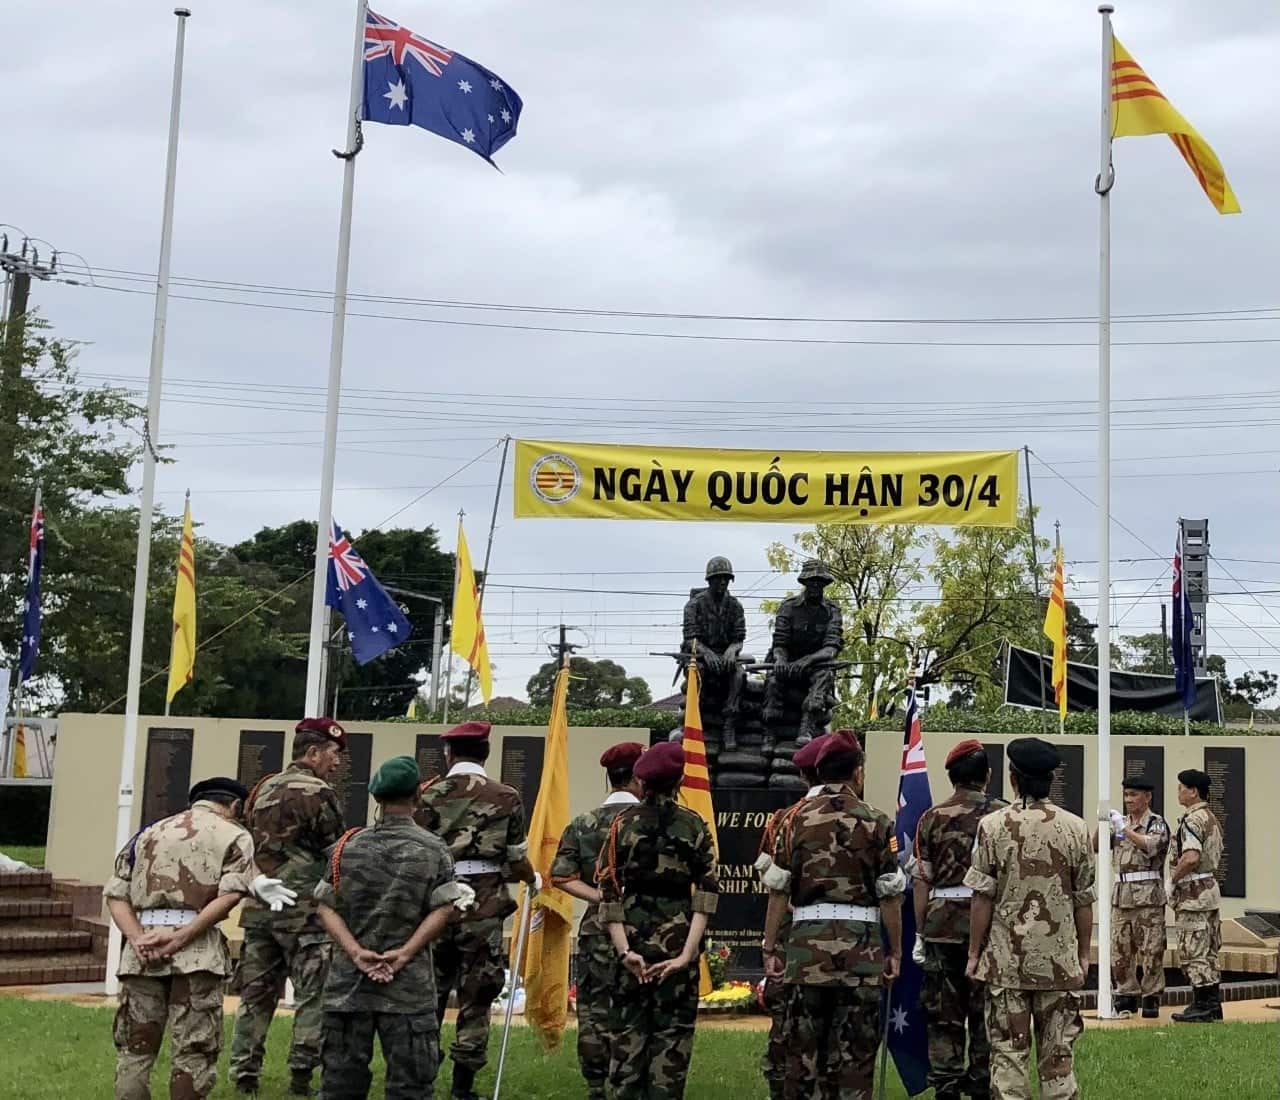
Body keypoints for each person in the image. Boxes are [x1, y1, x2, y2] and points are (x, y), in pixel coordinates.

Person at [105, 777, 295, 1100]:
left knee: (135, 1050)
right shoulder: (234, 835)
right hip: (197, 952)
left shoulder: (148, 833)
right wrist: (181, 938)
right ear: (234, 806)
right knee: (193, 1053)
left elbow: (115, 894)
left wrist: (137, 939)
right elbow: (230, 896)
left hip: (142, 952)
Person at [314, 756, 473, 1100]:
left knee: (340, 1085)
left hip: (349, 986)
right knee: (411, 1087)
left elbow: (325, 906)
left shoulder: (346, 847)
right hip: (408, 987)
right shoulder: (434, 849)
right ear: (418, 795)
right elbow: (444, 908)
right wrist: (404, 954)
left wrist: (356, 953)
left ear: (375, 797)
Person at [762, 729, 905, 1099]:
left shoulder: (793, 819)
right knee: (856, 1056)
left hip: (806, 953)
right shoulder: (877, 821)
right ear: (857, 771)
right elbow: (890, 895)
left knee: (803, 1054)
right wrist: (894, 952)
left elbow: (778, 890)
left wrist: (768, 946)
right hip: (862, 954)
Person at [964, 737, 1095, 1100]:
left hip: (1006, 964)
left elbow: (982, 897)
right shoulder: (1076, 828)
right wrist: (1083, 954)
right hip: (1058, 963)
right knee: (1058, 1061)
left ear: (1013, 778)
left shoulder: (992, 827)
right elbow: (1084, 900)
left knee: (1008, 1059)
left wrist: (975, 954)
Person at [414, 720, 538, 1100]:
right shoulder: (506, 796)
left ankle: (421, 1081)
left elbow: (416, 850)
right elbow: (516, 858)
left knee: (429, 995)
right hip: (483, 903)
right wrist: (532, 880)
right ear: (486, 753)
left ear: (449, 754)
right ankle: (462, 1088)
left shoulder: (428, 794)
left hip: (437, 900)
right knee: (477, 994)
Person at [230, 717, 348, 1097]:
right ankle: (301, 1074)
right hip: (307, 915)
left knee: (255, 997)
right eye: (333, 754)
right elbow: (336, 853)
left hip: (262, 911)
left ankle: (244, 1074)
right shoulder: (320, 793)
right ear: (312, 753)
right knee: (313, 995)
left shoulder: (261, 789)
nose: (338, 763)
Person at [596, 741, 719, 1099]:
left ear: (642, 781)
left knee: (627, 1041)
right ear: (679, 779)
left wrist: (623, 952)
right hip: (678, 945)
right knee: (672, 1046)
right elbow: (707, 894)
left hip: (632, 947)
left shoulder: (622, 824)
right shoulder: (694, 825)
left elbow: (608, 891)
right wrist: (686, 954)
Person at [550, 741, 645, 1100]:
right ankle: (631, 1079)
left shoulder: (584, 823)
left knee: (593, 1011)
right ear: (638, 778)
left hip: (597, 927)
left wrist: (601, 896)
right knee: (636, 1006)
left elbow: (560, 875)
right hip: (643, 925)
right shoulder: (649, 821)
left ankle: (595, 1085)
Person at [912, 740, 1007, 1100]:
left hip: (943, 928)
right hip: (992, 927)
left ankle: (947, 1084)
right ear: (988, 776)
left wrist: (921, 931)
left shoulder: (932, 818)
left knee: (943, 1013)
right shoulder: (1004, 815)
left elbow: (923, 880)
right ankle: (982, 1080)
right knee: (987, 1009)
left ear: (951, 777)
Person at [754, 732, 829, 1100]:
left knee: (788, 1029)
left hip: (792, 941)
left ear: (804, 777)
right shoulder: (864, 816)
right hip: (849, 946)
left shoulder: (782, 820)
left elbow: (773, 884)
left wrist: (769, 947)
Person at [1096, 777, 1169, 1018]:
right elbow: (1095, 846)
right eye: (1126, 795)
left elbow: (1151, 847)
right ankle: (1126, 994)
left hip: (1147, 896)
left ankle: (1151, 997)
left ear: (1147, 797)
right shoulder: (1121, 823)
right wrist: (1102, 822)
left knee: (1151, 949)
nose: (1128, 800)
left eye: (1134, 795)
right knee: (1120, 949)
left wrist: (1123, 829)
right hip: (1122, 896)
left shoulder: (1155, 823)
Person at [762, 559, 844, 749]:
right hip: (787, 663)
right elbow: (779, 642)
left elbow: (831, 648)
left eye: (819, 582)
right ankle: (769, 733)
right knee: (773, 683)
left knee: (824, 677)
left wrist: (807, 661)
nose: (815, 585)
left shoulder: (832, 611)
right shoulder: (789, 607)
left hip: (815, 666)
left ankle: (806, 727)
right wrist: (781, 659)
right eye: (811, 581)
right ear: (804, 583)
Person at [1168, 768, 1225, 1023]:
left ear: (1193, 791)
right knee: (1210, 950)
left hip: (1193, 895)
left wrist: (1172, 879)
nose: (1178, 792)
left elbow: (1191, 856)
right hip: (1209, 892)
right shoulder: (1210, 817)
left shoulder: (1192, 820)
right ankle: (1211, 1004)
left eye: (1181, 788)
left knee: (1194, 949)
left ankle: (1202, 1005)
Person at [682, 557, 747, 750]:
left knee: (739, 675)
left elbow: (739, 637)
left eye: (726, 579)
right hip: (700, 656)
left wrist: (732, 650)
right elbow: (690, 637)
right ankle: (698, 725)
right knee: (696, 674)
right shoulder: (694, 605)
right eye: (718, 578)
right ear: (709, 580)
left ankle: (729, 724)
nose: (722, 582)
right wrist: (707, 653)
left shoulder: (735, 606)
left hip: (726, 657)